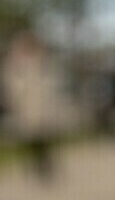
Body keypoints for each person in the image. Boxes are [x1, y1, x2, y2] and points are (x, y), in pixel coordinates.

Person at [0, 32, 68, 180]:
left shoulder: (44, 61)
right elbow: (11, 84)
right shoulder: (14, 63)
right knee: (30, 137)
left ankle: (44, 164)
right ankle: (37, 165)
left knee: (43, 136)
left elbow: (53, 81)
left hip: (41, 105)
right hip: (26, 105)